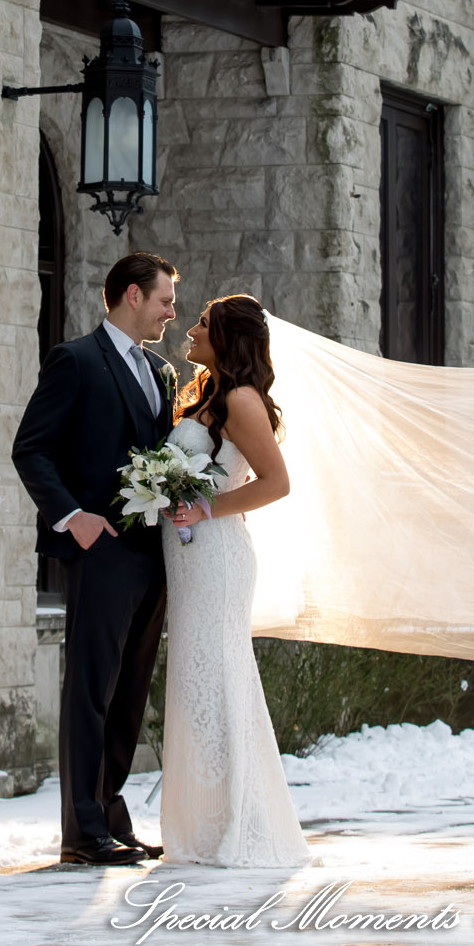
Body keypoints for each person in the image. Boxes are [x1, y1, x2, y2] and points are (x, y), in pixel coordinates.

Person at [13, 253, 179, 866]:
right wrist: (73, 518)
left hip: (151, 555)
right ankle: (81, 833)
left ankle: (111, 815)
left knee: (129, 692)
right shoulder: (75, 360)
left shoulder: (161, 374)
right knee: (89, 691)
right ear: (131, 295)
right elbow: (31, 450)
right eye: (164, 300)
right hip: (99, 553)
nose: (170, 312)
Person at [160, 295, 312, 868]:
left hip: (218, 558)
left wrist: (204, 510)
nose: (192, 330)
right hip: (191, 560)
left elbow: (276, 482)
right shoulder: (205, 396)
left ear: (226, 338)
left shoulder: (242, 400)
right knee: (198, 681)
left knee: (218, 680)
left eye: (203, 324)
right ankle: (206, 822)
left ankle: (240, 824)